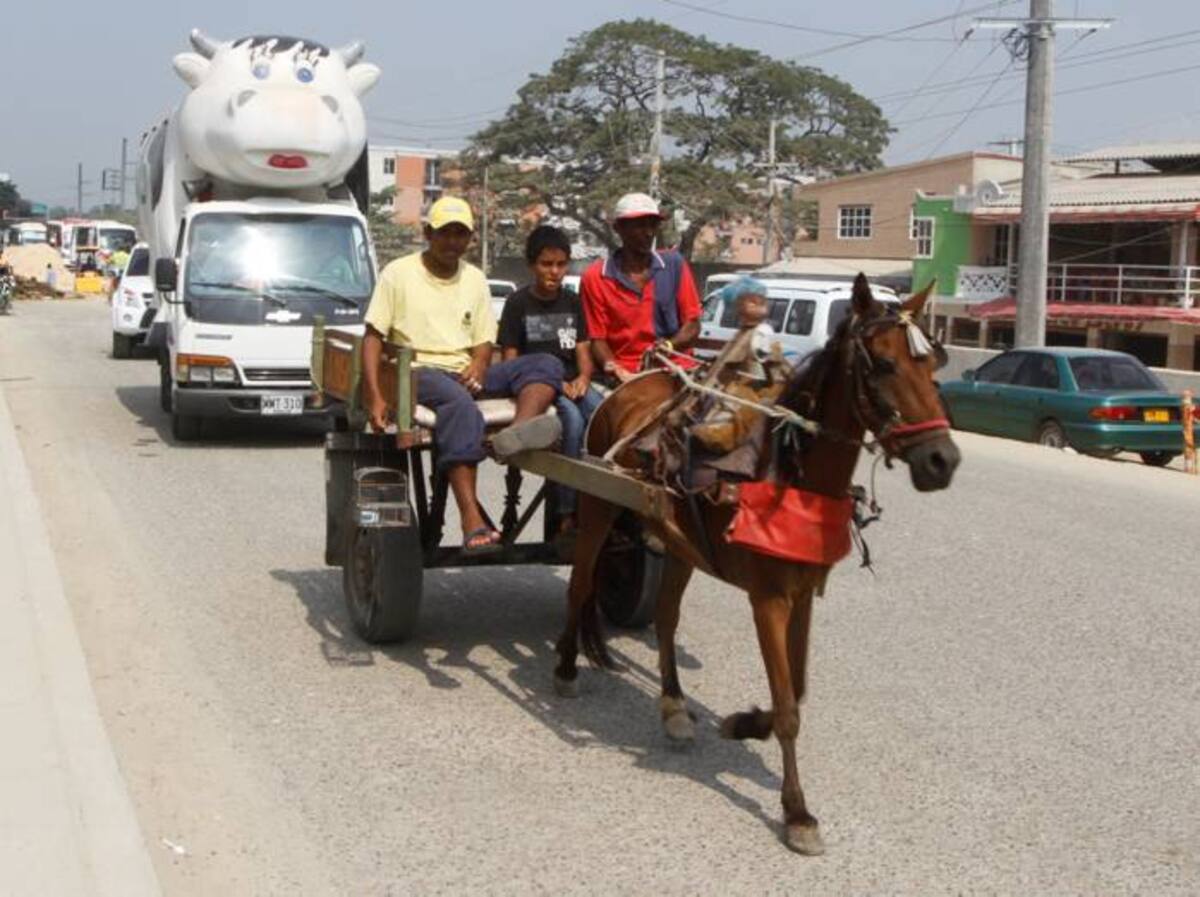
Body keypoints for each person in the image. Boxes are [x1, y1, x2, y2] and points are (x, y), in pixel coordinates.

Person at [361, 196, 563, 554]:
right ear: (428, 233)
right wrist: (376, 395)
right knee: (460, 405)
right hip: (417, 370)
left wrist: (480, 364)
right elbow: (374, 337)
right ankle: (471, 518)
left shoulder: (474, 278)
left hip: (465, 370)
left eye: (461, 235)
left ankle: (516, 434)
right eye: (446, 233)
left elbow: (484, 341)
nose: (454, 242)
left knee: (546, 364)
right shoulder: (399, 272)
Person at [499, 225, 603, 531]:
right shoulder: (518, 303)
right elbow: (510, 359)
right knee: (571, 422)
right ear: (532, 265)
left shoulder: (573, 302)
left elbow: (583, 351)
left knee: (603, 415)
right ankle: (567, 511)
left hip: (574, 382)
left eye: (561, 264)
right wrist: (549, 385)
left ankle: (600, 499)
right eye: (546, 264)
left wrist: (584, 377)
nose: (554, 271)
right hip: (541, 384)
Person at [579, 192, 702, 383]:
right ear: (618, 228)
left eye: (652, 225)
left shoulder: (674, 264)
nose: (648, 232)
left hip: (677, 370)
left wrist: (669, 345)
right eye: (639, 225)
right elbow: (597, 339)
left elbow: (693, 325)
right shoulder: (595, 277)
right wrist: (616, 370)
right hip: (627, 375)